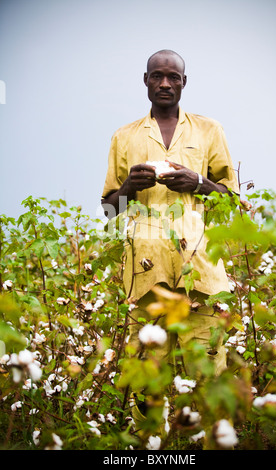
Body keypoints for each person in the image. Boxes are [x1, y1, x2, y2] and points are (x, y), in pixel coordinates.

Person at [101, 49, 239, 377]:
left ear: (184, 83)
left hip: (201, 273)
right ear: (145, 81)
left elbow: (231, 199)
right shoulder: (124, 136)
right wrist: (130, 187)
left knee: (207, 373)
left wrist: (199, 183)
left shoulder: (209, 130)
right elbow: (109, 209)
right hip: (146, 273)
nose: (165, 83)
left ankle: (209, 430)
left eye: (173, 77)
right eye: (157, 76)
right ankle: (150, 431)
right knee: (147, 377)